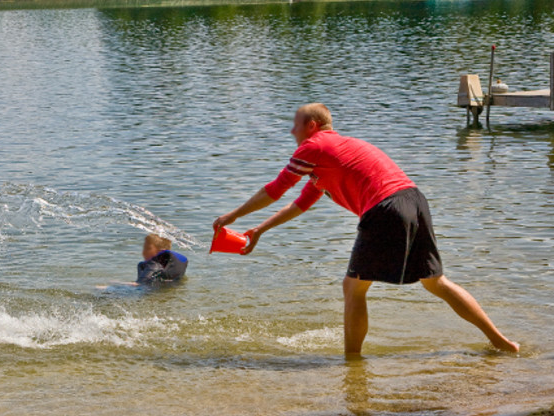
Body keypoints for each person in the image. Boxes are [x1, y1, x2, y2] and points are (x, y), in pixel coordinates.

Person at [213, 103, 519, 355]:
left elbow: (276, 189)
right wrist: (259, 231)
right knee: (436, 282)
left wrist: (233, 216)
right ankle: (501, 341)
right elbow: (297, 205)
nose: (291, 131)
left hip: (385, 207)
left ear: (312, 126)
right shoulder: (331, 157)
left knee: (353, 287)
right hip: (414, 200)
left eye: (295, 124)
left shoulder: (313, 146)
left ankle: (352, 363)